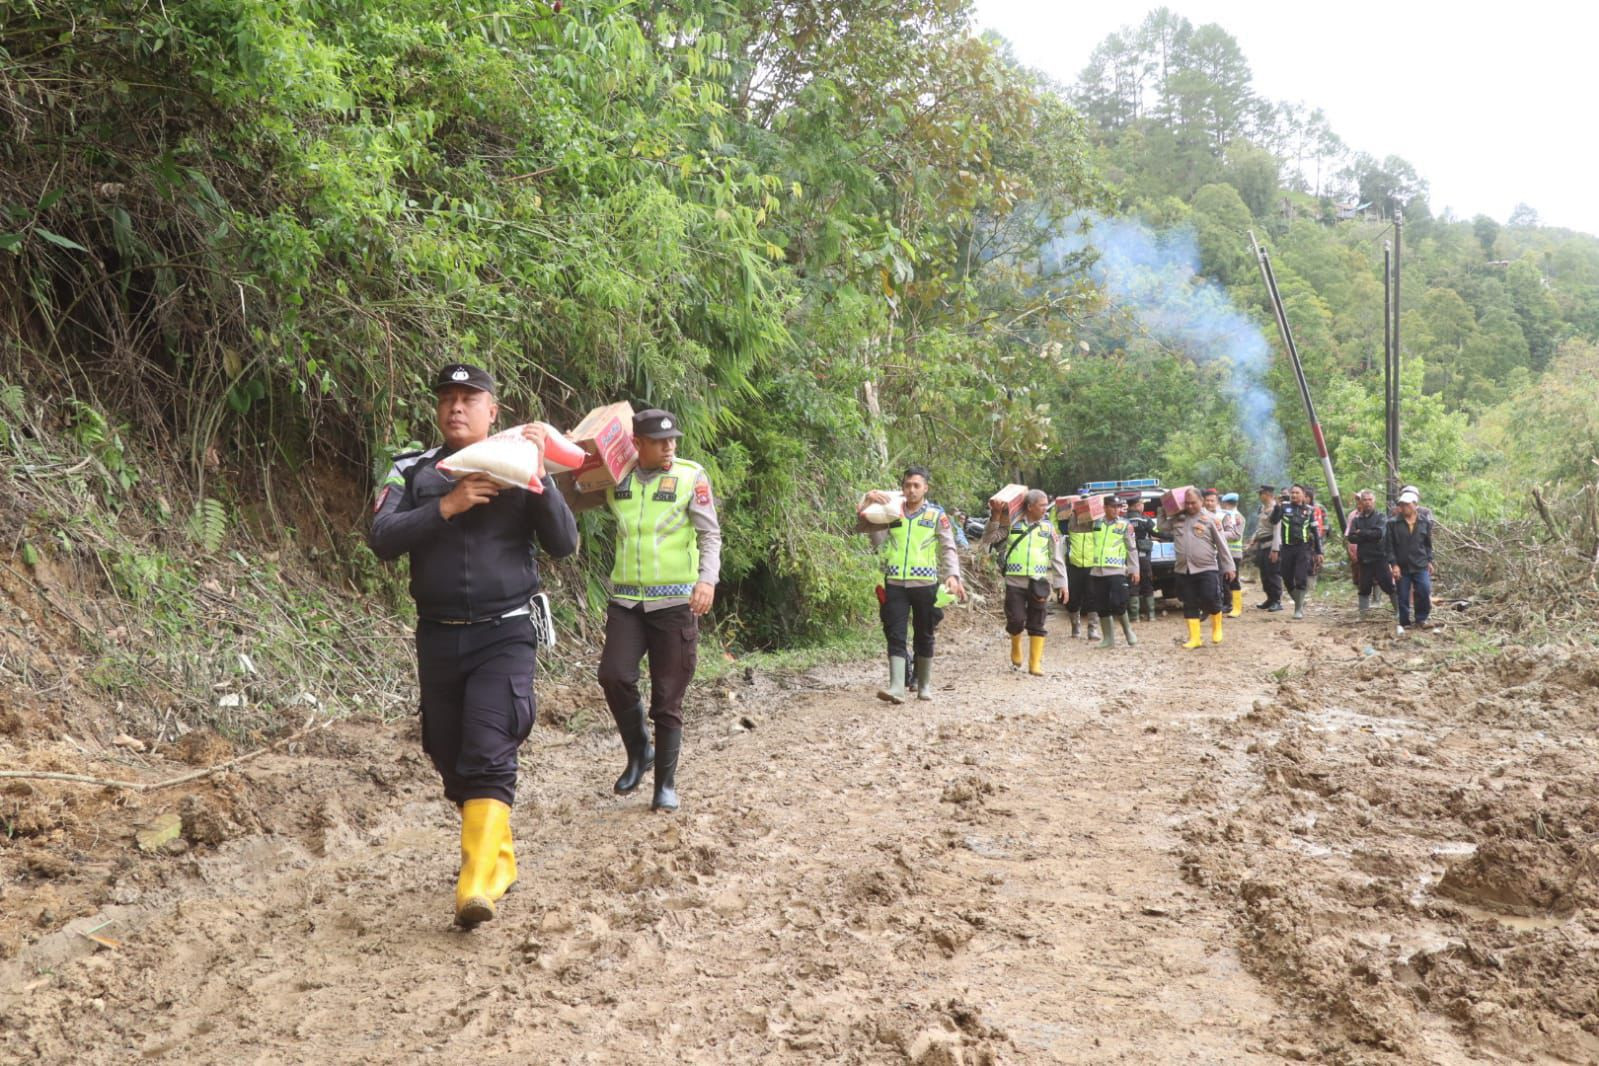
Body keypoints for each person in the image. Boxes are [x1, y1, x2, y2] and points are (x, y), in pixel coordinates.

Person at [370, 363, 580, 927]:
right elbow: (381, 538)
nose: (456, 407)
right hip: (438, 635)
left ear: (494, 411)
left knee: (489, 749)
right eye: (447, 398)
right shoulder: (411, 470)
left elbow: (564, 543)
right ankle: (499, 861)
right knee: (448, 754)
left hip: (505, 632)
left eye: (469, 398)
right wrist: (446, 506)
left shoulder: (520, 465)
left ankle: (473, 887)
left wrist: (540, 475)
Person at [595, 408, 721, 815]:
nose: (670, 447)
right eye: (660, 441)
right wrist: (577, 455)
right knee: (614, 675)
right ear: (637, 444)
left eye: (673, 439)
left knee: (667, 698)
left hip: (675, 604)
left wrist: (707, 581)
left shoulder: (690, 476)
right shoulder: (617, 476)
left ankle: (665, 785)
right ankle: (640, 752)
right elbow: (574, 494)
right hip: (627, 601)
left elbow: (709, 534)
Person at [861, 467, 965, 703]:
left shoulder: (936, 515)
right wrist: (869, 502)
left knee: (924, 634)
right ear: (902, 488)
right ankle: (896, 687)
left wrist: (953, 575)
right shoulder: (891, 512)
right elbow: (870, 533)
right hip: (895, 583)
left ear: (925, 488)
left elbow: (948, 547)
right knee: (895, 633)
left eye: (916, 485)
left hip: (925, 584)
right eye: (907, 485)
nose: (911, 490)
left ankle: (924, 685)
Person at [975, 489, 1065, 674]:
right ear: (1030, 507)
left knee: (1038, 622)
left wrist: (1062, 582)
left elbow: (1057, 557)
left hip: (1038, 582)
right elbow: (989, 538)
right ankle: (1016, 646)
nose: (1045, 509)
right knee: (1016, 620)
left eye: (1046, 505)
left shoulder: (1048, 529)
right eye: (1042, 505)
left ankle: (1034, 664)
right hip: (1014, 582)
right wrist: (996, 515)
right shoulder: (1012, 524)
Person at [1159, 488, 1235, 649]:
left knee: (1210, 598)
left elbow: (1222, 544)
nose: (1190, 506)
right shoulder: (1178, 519)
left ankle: (1217, 628)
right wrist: (1163, 508)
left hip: (1207, 568)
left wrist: (1229, 566)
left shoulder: (1211, 519)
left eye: (1193, 503)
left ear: (1201, 501)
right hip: (1183, 569)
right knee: (1189, 602)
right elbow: (1162, 526)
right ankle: (1195, 638)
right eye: (1187, 503)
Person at [1087, 495, 1140, 648]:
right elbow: (1075, 527)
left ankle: (1128, 631)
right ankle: (1108, 639)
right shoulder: (1096, 523)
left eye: (1118, 507)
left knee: (1119, 602)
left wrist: (1134, 569)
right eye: (1113, 507)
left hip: (1117, 570)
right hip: (1097, 570)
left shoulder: (1125, 525)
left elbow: (1131, 548)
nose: (1116, 510)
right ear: (1104, 508)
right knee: (1101, 605)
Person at [1384, 487, 1434, 634]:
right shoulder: (1393, 523)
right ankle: (1404, 622)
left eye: (1407, 504)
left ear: (1415, 505)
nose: (1404, 507)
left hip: (1420, 563)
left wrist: (1430, 560)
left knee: (1424, 590)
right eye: (1402, 504)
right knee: (1403, 595)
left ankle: (1421, 619)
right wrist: (1394, 565)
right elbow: (1389, 547)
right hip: (1402, 565)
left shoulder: (1424, 522)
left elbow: (1427, 544)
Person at [1270, 483, 1324, 620]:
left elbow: (1315, 532)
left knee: (1300, 577)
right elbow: (1273, 521)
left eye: (1297, 493)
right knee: (1287, 578)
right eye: (1292, 492)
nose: (1294, 495)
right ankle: (1299, 601)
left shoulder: (1309, 510)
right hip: (1287, 548)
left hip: (1303, 548)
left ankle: (1298, 609)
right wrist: (1276, 507)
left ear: (1303, 495)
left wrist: (1319, 552)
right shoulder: (1284, 507)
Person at [1346, 489, 1396, 619]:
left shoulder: (1381, 517)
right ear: (1361, 502)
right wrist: (1369, 534)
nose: (1367, 502)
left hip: (1380, 557)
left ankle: (1399, 611)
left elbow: (1379, 534)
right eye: (1365, 500)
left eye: (1370, 500)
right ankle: (1363, 616)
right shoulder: (1356, 519)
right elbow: (1351, 537)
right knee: (1364, 587)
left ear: (1374, 501)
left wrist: (1361, 533)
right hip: (1364, 559)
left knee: (1388, 585)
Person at [1063, 503, 1101, 641]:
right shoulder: (1070, 524)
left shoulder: (1096, 525)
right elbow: (1057, 522)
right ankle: (1075, 625)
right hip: (1074, 566)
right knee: (1072, 599)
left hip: (1092, 566)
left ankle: (1093, 629)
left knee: (1093, 597)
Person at [1249, 485, 1284, 611]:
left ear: (1268, 494)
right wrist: (1254, 538)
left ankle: (1277, 601)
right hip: (1262, 545)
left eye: (1261, 494)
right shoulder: (1262, 508)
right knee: (1264, 574)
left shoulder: (1276, 509)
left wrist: (1275, 549)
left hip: (1271, 545)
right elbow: (1260, 526)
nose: (1259, 496)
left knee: (1273, 574)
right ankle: (1269, 599)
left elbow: (1277, 530)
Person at [1123, 497, 1158, 622]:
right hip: (1143, 557)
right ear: (1138, 505)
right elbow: (1156, 532)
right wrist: (1171, 536)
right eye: (1142, 504)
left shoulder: (1122, 520)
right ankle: (1151, 615)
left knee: (1133, 584)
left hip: (1128, 558)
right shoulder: (1145, 519)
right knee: (1147, 583)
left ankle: (1134, 616)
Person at [1216, 491, 1247, 616]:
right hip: (1224, 553)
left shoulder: (1238, 517)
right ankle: (1227, 604)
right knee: (1224, 580)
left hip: (1234, 553)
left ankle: (1237, 607)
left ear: (1225, 503)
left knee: (1233, 580)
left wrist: (1218, 534)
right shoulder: (1225, 516)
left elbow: (1236, 536)